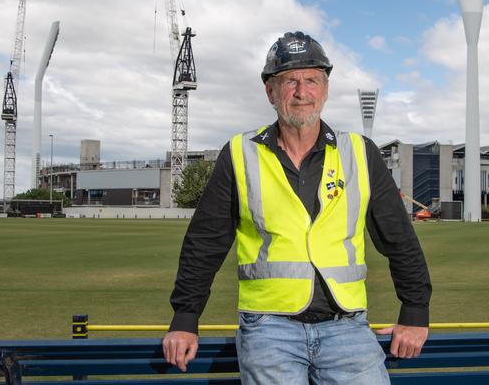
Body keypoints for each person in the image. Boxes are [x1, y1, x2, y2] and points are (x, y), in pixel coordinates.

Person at [163, 31, 432, 384]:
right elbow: (205, 242)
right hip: (268, 329)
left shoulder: (360, 153)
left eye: (311, 80)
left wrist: (414, 311)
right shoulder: (240, 154)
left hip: (347, 327)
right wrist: (185, 318)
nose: (302, 92)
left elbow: (398, 238)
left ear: (326, 89)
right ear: (270, 92)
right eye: (289, 81)